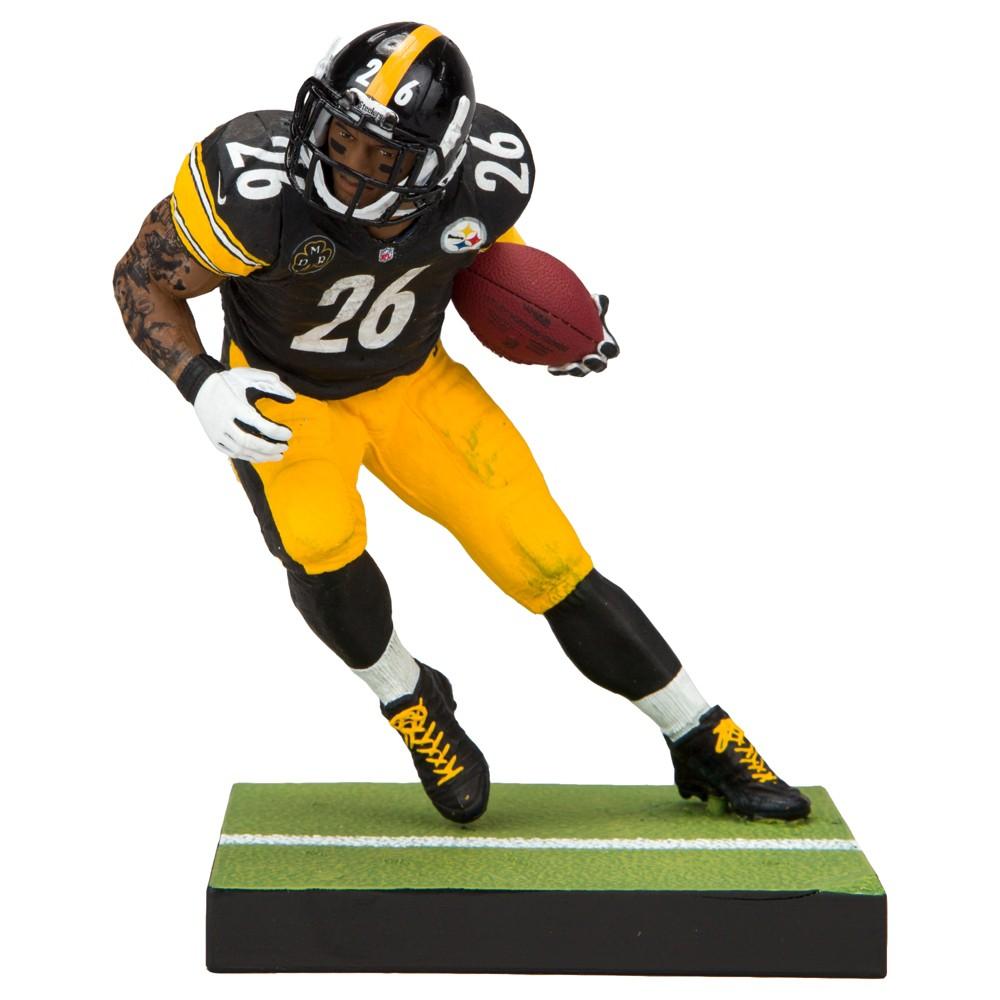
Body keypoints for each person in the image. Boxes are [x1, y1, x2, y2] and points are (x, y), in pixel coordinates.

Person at [113, 21, 810, 824]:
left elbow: (485, 259)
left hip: (415, 385)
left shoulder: (482, 180)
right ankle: (410, 697)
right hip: (286, 391)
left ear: (441, 164)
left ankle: (699, 732)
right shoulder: (251, 191)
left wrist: (556, 325)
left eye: (384, 157)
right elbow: (140, 278)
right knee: (318, 546)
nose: (348, 166)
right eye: (341, 135)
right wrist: (199, 379)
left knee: (545, 557)